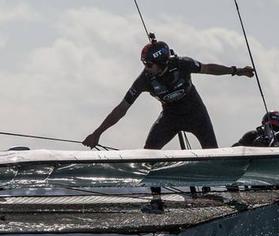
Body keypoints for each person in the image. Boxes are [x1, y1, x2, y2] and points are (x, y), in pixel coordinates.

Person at [82, 36, 255, 150]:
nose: (146, 68)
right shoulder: (145, 79)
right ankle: (156, 201)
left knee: (213, 154)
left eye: (149, 64)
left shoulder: (182, 64)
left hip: (196, 112)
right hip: (170, 116)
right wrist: (98, 133)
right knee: (148, 154)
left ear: (162, 62)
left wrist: (237, 71)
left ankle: (228, 194)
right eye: (144, 64)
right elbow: (121, 109)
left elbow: (209, 68)